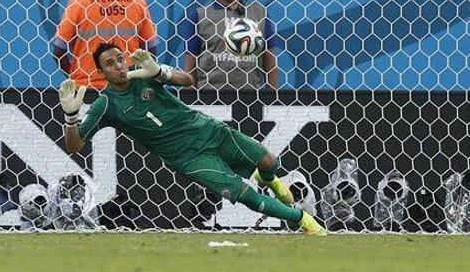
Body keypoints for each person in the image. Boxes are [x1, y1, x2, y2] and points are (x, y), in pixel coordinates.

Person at [57, 43, 326, 234]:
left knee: (270, 162)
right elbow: (74, 145)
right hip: (189, 158)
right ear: (102, 74)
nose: (118, 65)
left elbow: (188, 80)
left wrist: (160, 71)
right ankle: (302, 220)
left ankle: (269, 180)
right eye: (110, 64)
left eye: (119, 58)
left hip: (209, 131)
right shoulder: (106, 105)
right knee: (244, 195)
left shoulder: (145, 74)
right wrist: (71, 117)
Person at [53, 0, 159, 89]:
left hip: (87, 87)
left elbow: (58, 51)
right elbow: (150, 50)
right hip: (127, 87)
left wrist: (76, 76)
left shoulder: (78, 2)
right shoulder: (137, 2)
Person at [182, 0, 278, 89]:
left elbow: (270, 59)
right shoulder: (199, 16)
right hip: (210, 98)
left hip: (250, 97)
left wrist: (272, 98)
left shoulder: (259, 13)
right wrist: (191, 100)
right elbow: (190, 65)